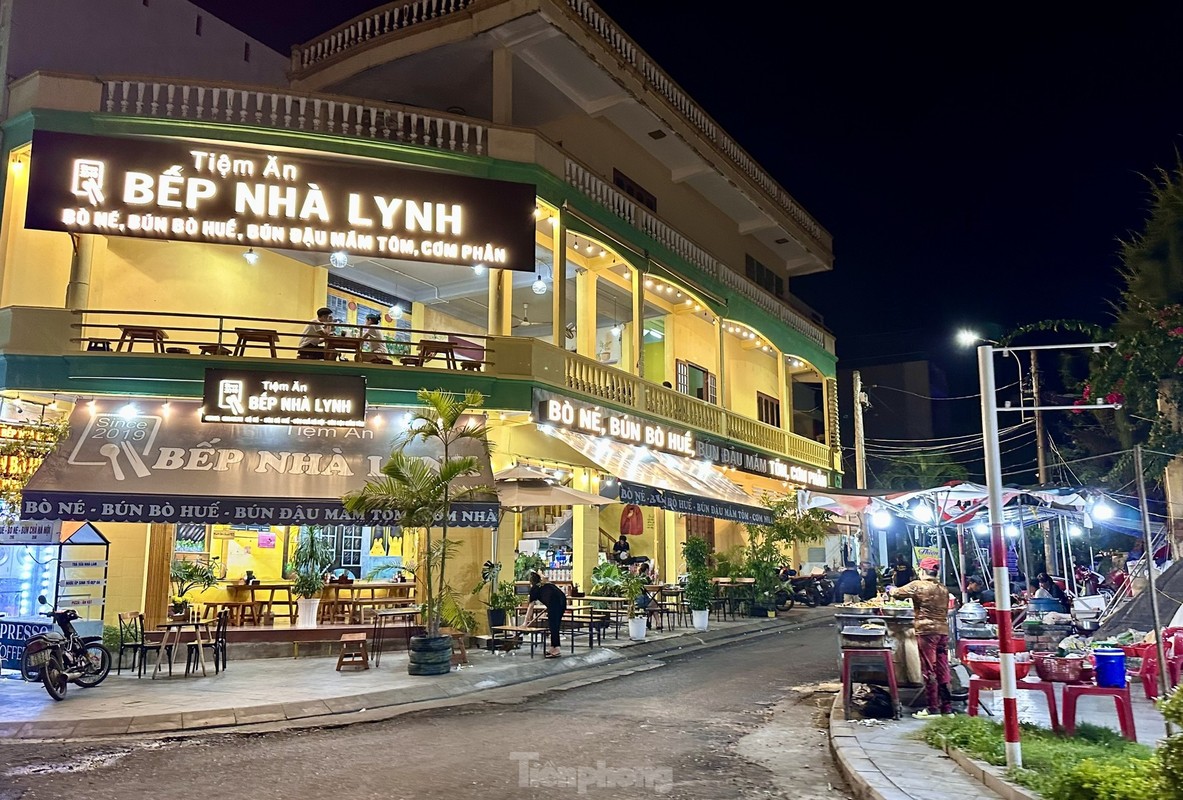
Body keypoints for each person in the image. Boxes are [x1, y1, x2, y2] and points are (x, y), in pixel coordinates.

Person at [890, 557, 954, 719]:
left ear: (922, 571)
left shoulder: (918, 585)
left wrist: (890, 589)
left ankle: (932, 708)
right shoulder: (943, 589)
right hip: (943, 631)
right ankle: (947, 707)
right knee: (943, 668)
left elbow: (897, 593)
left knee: (929, 669)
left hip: (926, 632)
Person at [523, 571, 567, 658]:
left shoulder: (534, 589)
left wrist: (525, 622)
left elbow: (530, 607)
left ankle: (557, 649)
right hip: (562, 601)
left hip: (555, 603)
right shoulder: (545, 584)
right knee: (554, 625)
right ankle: (553, 648)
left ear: (531, 582)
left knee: (554, 626)